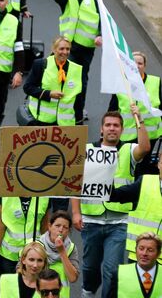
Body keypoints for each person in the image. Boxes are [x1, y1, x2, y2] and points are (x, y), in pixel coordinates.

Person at [70, 109, 150, 298]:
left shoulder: (128, 150)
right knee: (90, 266)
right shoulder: (88, 150)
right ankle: (88, 291)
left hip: (119, 222)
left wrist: (139, 119)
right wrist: (75, 212)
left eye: (116, 125)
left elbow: (145, 148)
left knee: (112, 270)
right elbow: (74, 183)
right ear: (101, 129)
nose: (112, 128)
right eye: (108, 125)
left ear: (122, 130)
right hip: (92, 220)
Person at [53, 0, 102, 124]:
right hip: (68, 46)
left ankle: (78, 113)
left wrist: (100, 35)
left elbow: (101, 19)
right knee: (66, 78)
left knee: (81, 80)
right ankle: (62, 109)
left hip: (86, 48)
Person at [108, 51, 161, 176]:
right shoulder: (121, 84)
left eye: (140, 63)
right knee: (128, 170)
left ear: (144, 65)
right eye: (133, 63)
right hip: (127, 138)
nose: (137, 66)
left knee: (146, 173)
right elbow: (112, 111)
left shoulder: (156, 82)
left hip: (150, 138)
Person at [108, 150, 162, 264]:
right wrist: (108, 170)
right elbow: (114, 195)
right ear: (159, 164)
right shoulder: (145, 182)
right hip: (140, 256)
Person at [24, 36, 83, 126]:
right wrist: (48, 94)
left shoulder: (76, 69)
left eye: (68, 49)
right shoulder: (41, 64)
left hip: (66, 124)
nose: (65, 52)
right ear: (54, 49)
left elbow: (78, 99)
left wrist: (79, 123)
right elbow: (28, 88)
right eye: (61, 49)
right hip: (42, 121)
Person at [0, 193, 50, 275]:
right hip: (9, 255)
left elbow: (45, 224)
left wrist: (45, 248)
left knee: (30, 285)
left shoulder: (44, 197)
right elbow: (1, 223)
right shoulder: (5, 197)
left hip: (33, 255)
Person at [38, 211, 80, 298]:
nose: (61, 230)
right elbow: (21, 271)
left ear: (68, 231)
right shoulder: (37, 245)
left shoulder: (71, 248)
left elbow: (72, 278)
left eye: (65, 227)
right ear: (49, 226)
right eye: (57, 226)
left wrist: (62, 252)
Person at [116, 232, 162, 297]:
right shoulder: (118, 273)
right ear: (135, 250)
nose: (144, 253)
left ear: (158, 254)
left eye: (150, 250)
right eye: (141, 249)